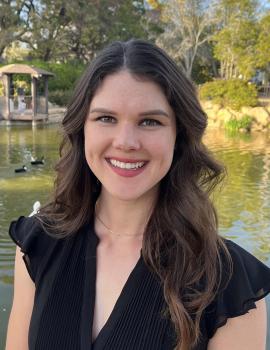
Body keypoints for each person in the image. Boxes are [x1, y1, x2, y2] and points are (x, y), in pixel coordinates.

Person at [5, 39, 270, 350]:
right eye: (106, 118)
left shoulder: (229, 285)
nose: (126, 142)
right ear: (82, 129)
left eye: (150, 121)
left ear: (179, 136)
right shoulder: (38, 244)